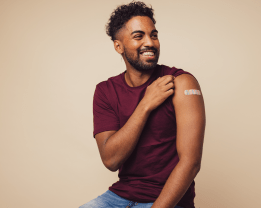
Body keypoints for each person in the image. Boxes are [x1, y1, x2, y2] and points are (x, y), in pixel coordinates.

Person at [80, 1, 205, 208]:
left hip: (168, 200)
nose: (150, 42)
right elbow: (111, 160)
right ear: (118, 46)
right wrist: (145, 104)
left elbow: (191, 163)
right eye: (139, 36)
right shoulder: (105, 90)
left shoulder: (182, 82)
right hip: (120, 196)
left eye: (153, 35)